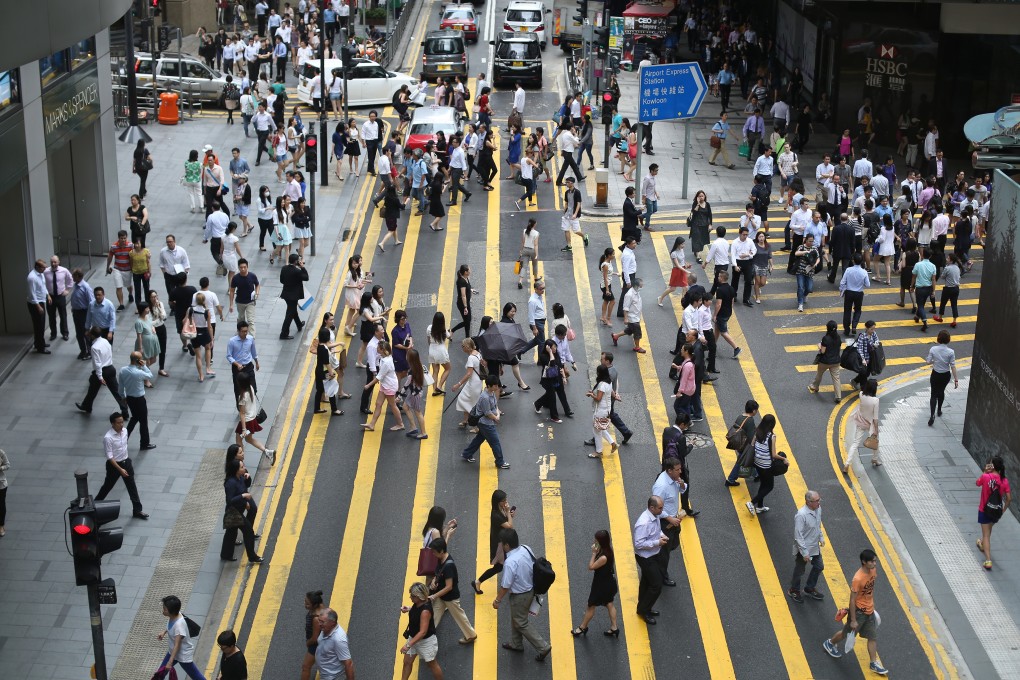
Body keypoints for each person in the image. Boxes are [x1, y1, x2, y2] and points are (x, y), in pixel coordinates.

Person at [823, 549, 890, 675]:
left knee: (872, 637)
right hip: (859, 613)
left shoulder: (873, 571)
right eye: (872, 562)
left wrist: (871, 606)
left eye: (875, 561)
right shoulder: (857, 579)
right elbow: (852, 600)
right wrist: (853, 620)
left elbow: (869, 591)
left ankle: (873, 663)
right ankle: (830, 643)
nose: (874, 564)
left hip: (869, 611)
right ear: (864, 562)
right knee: (846, 633)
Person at [491, 528, 552, 661]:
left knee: (521, 623)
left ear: (507, 545)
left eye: (502, 543)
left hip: (520, 596)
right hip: (530, 589)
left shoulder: (510, 562)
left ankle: (543, 646)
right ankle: (516, 643)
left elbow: (505, 585)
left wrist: (497, 600)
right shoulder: (525, 548)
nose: (501, 546)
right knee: (517, 618)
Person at [94, 411, 148, 519]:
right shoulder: (108, 438)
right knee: (107, 487)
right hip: (114, 466)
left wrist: (126, 463)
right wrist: (120, 469)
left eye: (122, 422)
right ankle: (93, 507)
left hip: (126, 462)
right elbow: (110, 457)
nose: (121, 424)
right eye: (119, 423)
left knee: (132, 486)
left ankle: (137, 510)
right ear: (113, 424)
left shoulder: (125, 431)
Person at [427, 536, 477, 644]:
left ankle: (471, 635)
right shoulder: (441, 558)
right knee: (433, 616)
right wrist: (434, 581)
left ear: (441, 551)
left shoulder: (449, 566)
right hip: (442, 596)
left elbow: (449, 587)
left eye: (434, 552)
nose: (433, 554)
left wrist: (434, 596)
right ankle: (427, 636)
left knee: (459, 616)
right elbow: (438, 573)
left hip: (450, 598)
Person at [571, 529, 620, 638]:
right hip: (609, 583)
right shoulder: (608, 550)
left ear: (601, 541)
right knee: (609, 603)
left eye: (596, 540)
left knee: (591, 605)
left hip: (601, 585)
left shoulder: (603, 557)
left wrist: (593, 554)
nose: (594, 541)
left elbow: (591, 567)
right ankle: (614, 627)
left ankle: (582, 627)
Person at [633, 496, 668, 625]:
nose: (662, 510)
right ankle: (644, 610)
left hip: (653, 554)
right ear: (652, 508)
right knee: (656, 585)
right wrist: (657, 542)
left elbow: (656, 530)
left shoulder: (655, 516)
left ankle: (643, 607)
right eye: (660, 508)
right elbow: (638, 544)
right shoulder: (644, 523)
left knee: (646, 582)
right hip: (646, 557)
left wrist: (662, 535)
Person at [462, 374, 510, 469]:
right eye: (495, 385)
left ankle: (467, 453)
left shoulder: (491, 393)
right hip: (485, 424)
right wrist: (496, 418)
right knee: (495, 443)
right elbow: (487, 413)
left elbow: (495, 406)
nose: (497, 387)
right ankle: (500, 462)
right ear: (488, 386)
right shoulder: (485, 397)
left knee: (479, 439)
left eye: (497, 385)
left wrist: (497, 414)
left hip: (487, 422)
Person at [399, 583, 442, 679]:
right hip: (413, 638)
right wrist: (409, 609)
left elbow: (422, 632)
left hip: (426, 642)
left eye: (412, 596)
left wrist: (408, 645)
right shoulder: (418, 603)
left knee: (432, 664)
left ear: (419, 596)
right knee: (407, 662)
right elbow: (417, 610)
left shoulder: (425, 611)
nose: (410, 597)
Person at [155, 595, 205, 679]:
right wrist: (164, 631)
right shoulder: (176, 614)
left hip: (182, 655)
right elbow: (171, 626)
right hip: (173, 652)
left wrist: (170, 662)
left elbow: (177, 645)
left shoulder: (179, 626)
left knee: (196, 676)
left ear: (171, 611)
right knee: (160, 674)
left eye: (164, 609)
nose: (163, 610)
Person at [976, 456, 1012, 571]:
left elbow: (977, 483)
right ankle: (982, 544)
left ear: (992, 466)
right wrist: (1003, 510)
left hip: (984, 509)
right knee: (988, 530)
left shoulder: (986, 477)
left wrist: (985, 471)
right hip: (996, 511)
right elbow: (1009, 499)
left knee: (986, 535)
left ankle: (988, 560)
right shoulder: (1004, 481)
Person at [789, 490, 825, 603]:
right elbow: (798, 536)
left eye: (819, 500)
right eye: (817, 501)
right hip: (803, 549)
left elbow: (818, 525)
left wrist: (821, 537)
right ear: (809, 502)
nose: (819, 502)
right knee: (800, 570)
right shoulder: (801, 515)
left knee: (819, 566)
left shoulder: (818, 509)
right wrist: (804, 552)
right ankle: (794, 590)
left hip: (814, 546)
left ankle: (809, 588)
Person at [361, 340, 405, 431]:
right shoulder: (385, 358)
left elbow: (379, 377)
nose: (377, 349)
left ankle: (400, 424)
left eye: (378, 348)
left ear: (382, 350)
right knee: (378, 404)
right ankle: (372, 424)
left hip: (389, 386)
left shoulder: (386, 362)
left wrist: (368, 385)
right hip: (385, 385)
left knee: (392, 405)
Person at [746, 414, 782, 515]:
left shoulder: (757, 431)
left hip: (757, 463)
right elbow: (774, 455)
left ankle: (760, 507)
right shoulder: (772, 436)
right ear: (772, 424)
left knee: (763, 484)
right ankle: (752, 503)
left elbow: (752, 444)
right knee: (769, 486)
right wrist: (784, 459)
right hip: (766, 466)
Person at [234, 372, 274, 462]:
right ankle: (267, 451)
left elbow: (242, 413)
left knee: (238, 440)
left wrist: (244, 429)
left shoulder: (242, 397)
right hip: (252, 420)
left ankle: (240, 461)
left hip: (246, 422)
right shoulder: (251, 388)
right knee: (249, 439)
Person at [120, 350, 155, 449]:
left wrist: (123, 397)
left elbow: (121, 387)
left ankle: (124, 439)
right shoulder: (139, 373)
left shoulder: (123, 370)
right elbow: (150, 375)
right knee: (143, 421)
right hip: (139, 400)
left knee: (134, 418)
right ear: (138, 361)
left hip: (129, 398)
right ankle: (144, 443)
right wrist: (144, 366)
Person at [844, 378, 880, 472]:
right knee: (875, 440)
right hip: (870, 424)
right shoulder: (876, 400)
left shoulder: (861, 394)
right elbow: (875, 418)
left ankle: (847, 463)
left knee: (855, 443)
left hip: (860, 421)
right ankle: (875, 459)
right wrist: (876, 430)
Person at [925, 330, 958, 426]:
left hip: (935, 374)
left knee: (933, 394)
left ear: (938, 339)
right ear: (948, 340)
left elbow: (928, 362)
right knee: (941, 391)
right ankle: (939, 410)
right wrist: (956, 379)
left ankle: (932, 415)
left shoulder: (933, 349)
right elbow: (953, 366)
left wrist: (934, 361)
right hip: (945, 375)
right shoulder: (951, 352)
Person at [314, 609, 355, 680]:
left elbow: (348, 664)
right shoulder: (325, 629)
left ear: (332, 623)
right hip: (325, 675)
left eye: (322, 622)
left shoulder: (339, 639)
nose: (319, 624)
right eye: (319, 620)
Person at [808, 321, 843, 402]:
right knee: (836, 379)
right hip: (836, 361)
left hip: (825, 361)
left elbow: (823, 351)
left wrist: (819, 346)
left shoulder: (826, 338)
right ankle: (838, 396)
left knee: (819, 374)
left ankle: (815, 386)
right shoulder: (838, 337)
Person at [611, 277, 645, 353]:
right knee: (637, 332)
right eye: (641, 286)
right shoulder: (629, 295)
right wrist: (626, 318)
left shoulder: (636, 292)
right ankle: (637, 347)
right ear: (636, 286)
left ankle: (616, 336)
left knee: (630, 330)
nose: (642, 287)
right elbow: (625, 307)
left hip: (636, 316)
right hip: (632, 318)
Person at [279, 253, 308, 339]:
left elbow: (281, 280)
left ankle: (299, 324)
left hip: (286, 294)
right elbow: (306, 277)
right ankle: (283, 334)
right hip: (294, 296)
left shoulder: (284, 268)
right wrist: (302, 267)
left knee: (293, 310)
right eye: (298, 260)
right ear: (296, 262)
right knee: (289, 315)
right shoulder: (297, 271)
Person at [301, 591, 327, 680]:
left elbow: (315, 638)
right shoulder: (321, 607)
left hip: (315, 645)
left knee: (306, 667)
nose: (305, 605)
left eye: (308, 604)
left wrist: (308, 643)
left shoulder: (316, 619)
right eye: (305, 601)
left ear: (315, 605)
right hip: (324, 643)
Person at [658, 236, 690, 306]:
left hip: (682, 269)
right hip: (677, 271)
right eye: (682, 244)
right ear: (678, 244)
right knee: (672, 288)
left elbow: (682, 260)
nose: (683, 245)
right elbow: (677, 265)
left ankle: (683, 302)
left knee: (685, 287)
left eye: (684, 244)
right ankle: (660, 298)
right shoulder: (674, 253)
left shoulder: (681, 250)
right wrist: (686, 271)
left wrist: (686, 264)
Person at [794, 234, 819, 312]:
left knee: (809, 288)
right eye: (809, 241)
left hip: (810, 271)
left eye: (812, 241)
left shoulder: (814, 248)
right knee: (800, 287)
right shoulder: (801, 247)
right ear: (806, 240)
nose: (811, 243)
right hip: (800, 271)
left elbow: (818, 258)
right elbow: (796, 253)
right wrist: (806, 252)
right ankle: (800, 303)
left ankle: (804, 295)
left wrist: (815, 264)